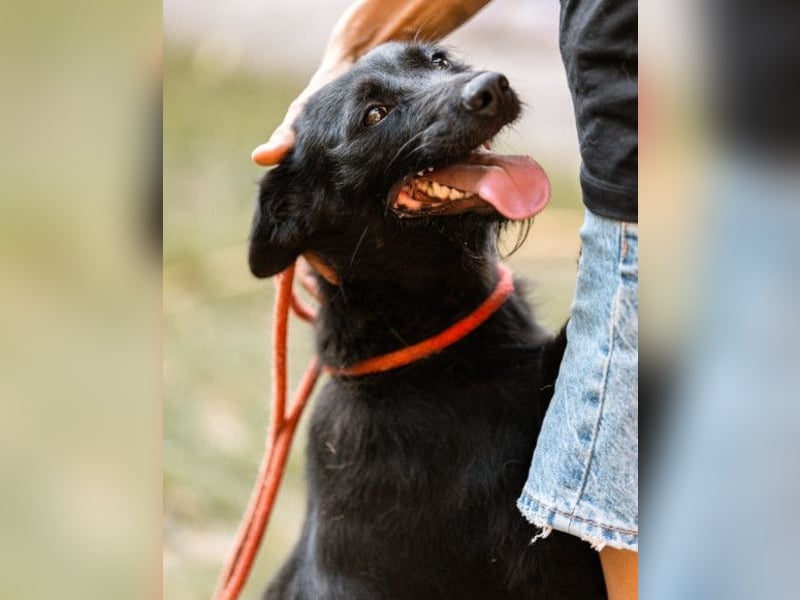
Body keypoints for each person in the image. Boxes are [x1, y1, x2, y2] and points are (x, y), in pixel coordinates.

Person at [251, 1, 638, 598]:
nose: (466, 87)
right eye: (376, 114)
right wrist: (345, 50)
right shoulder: (377, 448)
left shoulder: (511, 356)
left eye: (437, 61)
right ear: (300, 216)